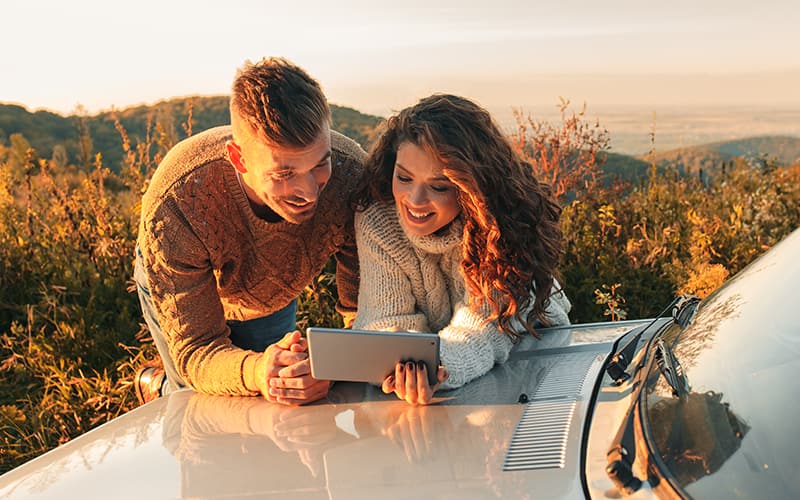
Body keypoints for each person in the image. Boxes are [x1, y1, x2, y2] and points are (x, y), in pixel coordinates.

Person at [133, 57, 365, 406]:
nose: (309, 191)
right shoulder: (177, 202)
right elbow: (197, 350)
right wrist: (257, 371)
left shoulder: (353, 177)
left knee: (279, 396)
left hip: (274, 284)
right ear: (239, 159)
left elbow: (366, 315)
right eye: (284, 174)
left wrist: (329, 366)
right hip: (183, 270)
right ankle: (159, 384)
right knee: (197, 403)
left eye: (320, 164)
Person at [348, 94, 571, 405]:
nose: (414, 199)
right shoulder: (378, 218)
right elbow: (385, 322)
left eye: (439, 186)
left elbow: (484, 328)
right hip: (452, 385)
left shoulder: (497, 225)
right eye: (404, 177)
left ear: (472, 188)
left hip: (536, 361)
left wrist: (436, 367)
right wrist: (406, 368)